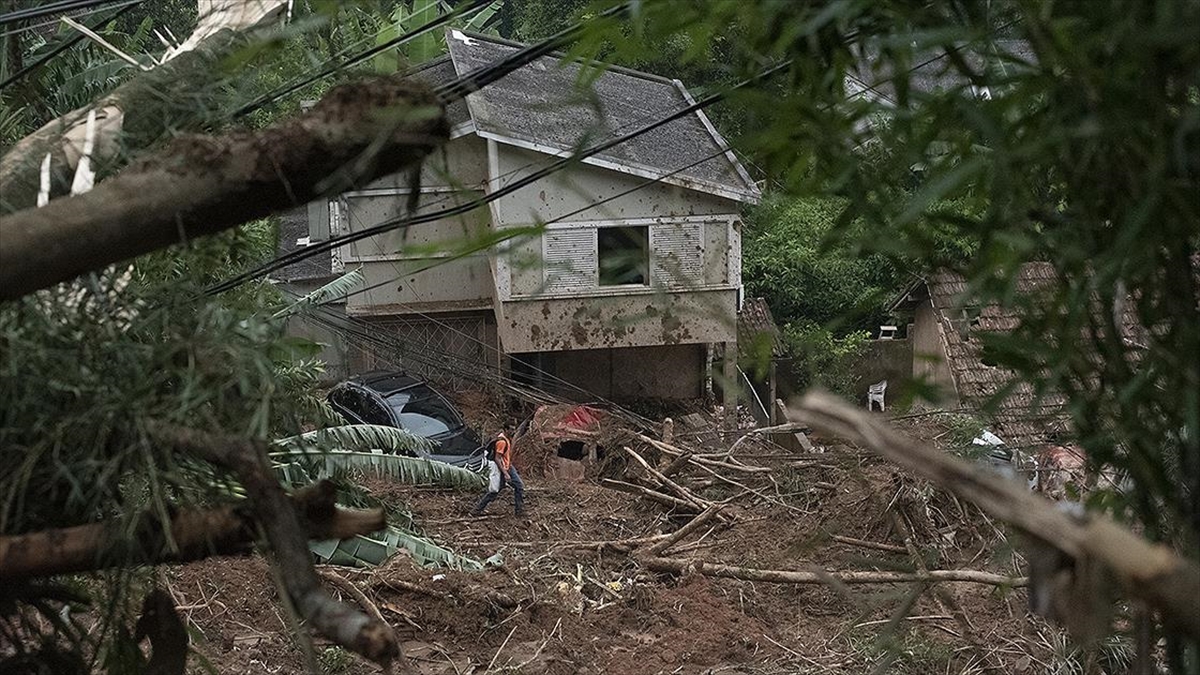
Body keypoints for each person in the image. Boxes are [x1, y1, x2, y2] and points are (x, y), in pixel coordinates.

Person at [472, 423, 525, 516]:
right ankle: (519, 511)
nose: (513, 432)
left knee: (497, 490)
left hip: (507, 466)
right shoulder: (502, 442)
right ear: (505, 430)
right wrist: (505, 473)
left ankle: (477, 509)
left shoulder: (506, 439)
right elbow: (497, 458)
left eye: (514, 429)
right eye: (511, 430)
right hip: (504, 468)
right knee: (517, 486)